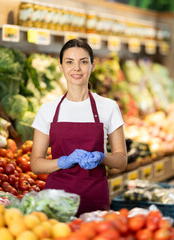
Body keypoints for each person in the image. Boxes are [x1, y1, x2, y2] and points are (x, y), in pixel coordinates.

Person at [30, 39, 127, 216]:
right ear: (60, 66)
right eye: (69, 62)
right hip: (57, 201)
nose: (77, 68)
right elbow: (36, 164)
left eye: (83, 62)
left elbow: (121, 161)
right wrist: (62, 161)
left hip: (94, 199)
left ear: (92, 65)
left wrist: (102, 158)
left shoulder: (108, 107)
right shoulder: (47, 110)